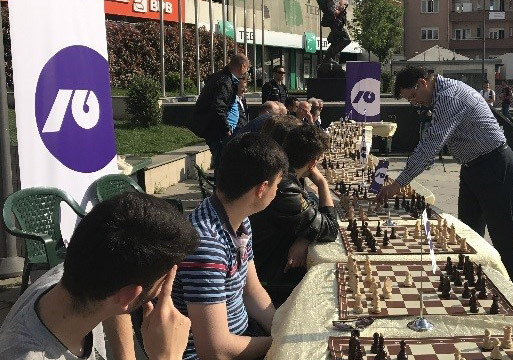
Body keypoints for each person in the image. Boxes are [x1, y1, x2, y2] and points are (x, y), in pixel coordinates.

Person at [376, 66, 513, 300]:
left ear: (422, 83)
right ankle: (473, 289)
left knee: (505, 239)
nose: (415, 103)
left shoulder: (449, 97)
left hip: (494, 165)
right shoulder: (439, 96)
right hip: (472, 167)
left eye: (413, 96)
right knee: (468, 235)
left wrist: (399, 183)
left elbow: (430, 146)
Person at [0, 192, 200, 360]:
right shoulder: (25, 354)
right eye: (164, 282)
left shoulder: (73, 274)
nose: (165, 289)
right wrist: (167, 356)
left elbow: (117, 281)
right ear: (127, 297)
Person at [172, 133, 289, 360]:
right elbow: (214, 350)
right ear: (262, 189)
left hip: (243, 336)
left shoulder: (239, 219)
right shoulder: (206, 245)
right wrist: (279, 343)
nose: (277, 192)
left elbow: (252, 291)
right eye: (277, 184)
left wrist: (282, 329)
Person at [249, 124, 338, 307]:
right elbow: (330, 228)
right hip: (271, 272)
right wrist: (322, 184)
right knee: (331, 282)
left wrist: (305, 237)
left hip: (269, 258)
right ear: (313, 163)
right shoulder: (285, 187)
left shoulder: (284, 174)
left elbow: (309, 208)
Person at [190, 54, 249, 169]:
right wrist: (226, 128)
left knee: (225, 163)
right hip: (219, 132)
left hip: (220, 130)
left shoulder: (226, 78)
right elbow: (218, 107)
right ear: (242, 66)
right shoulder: (225, 81)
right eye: (247, 68)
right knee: (222, 164)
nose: (246, 72)